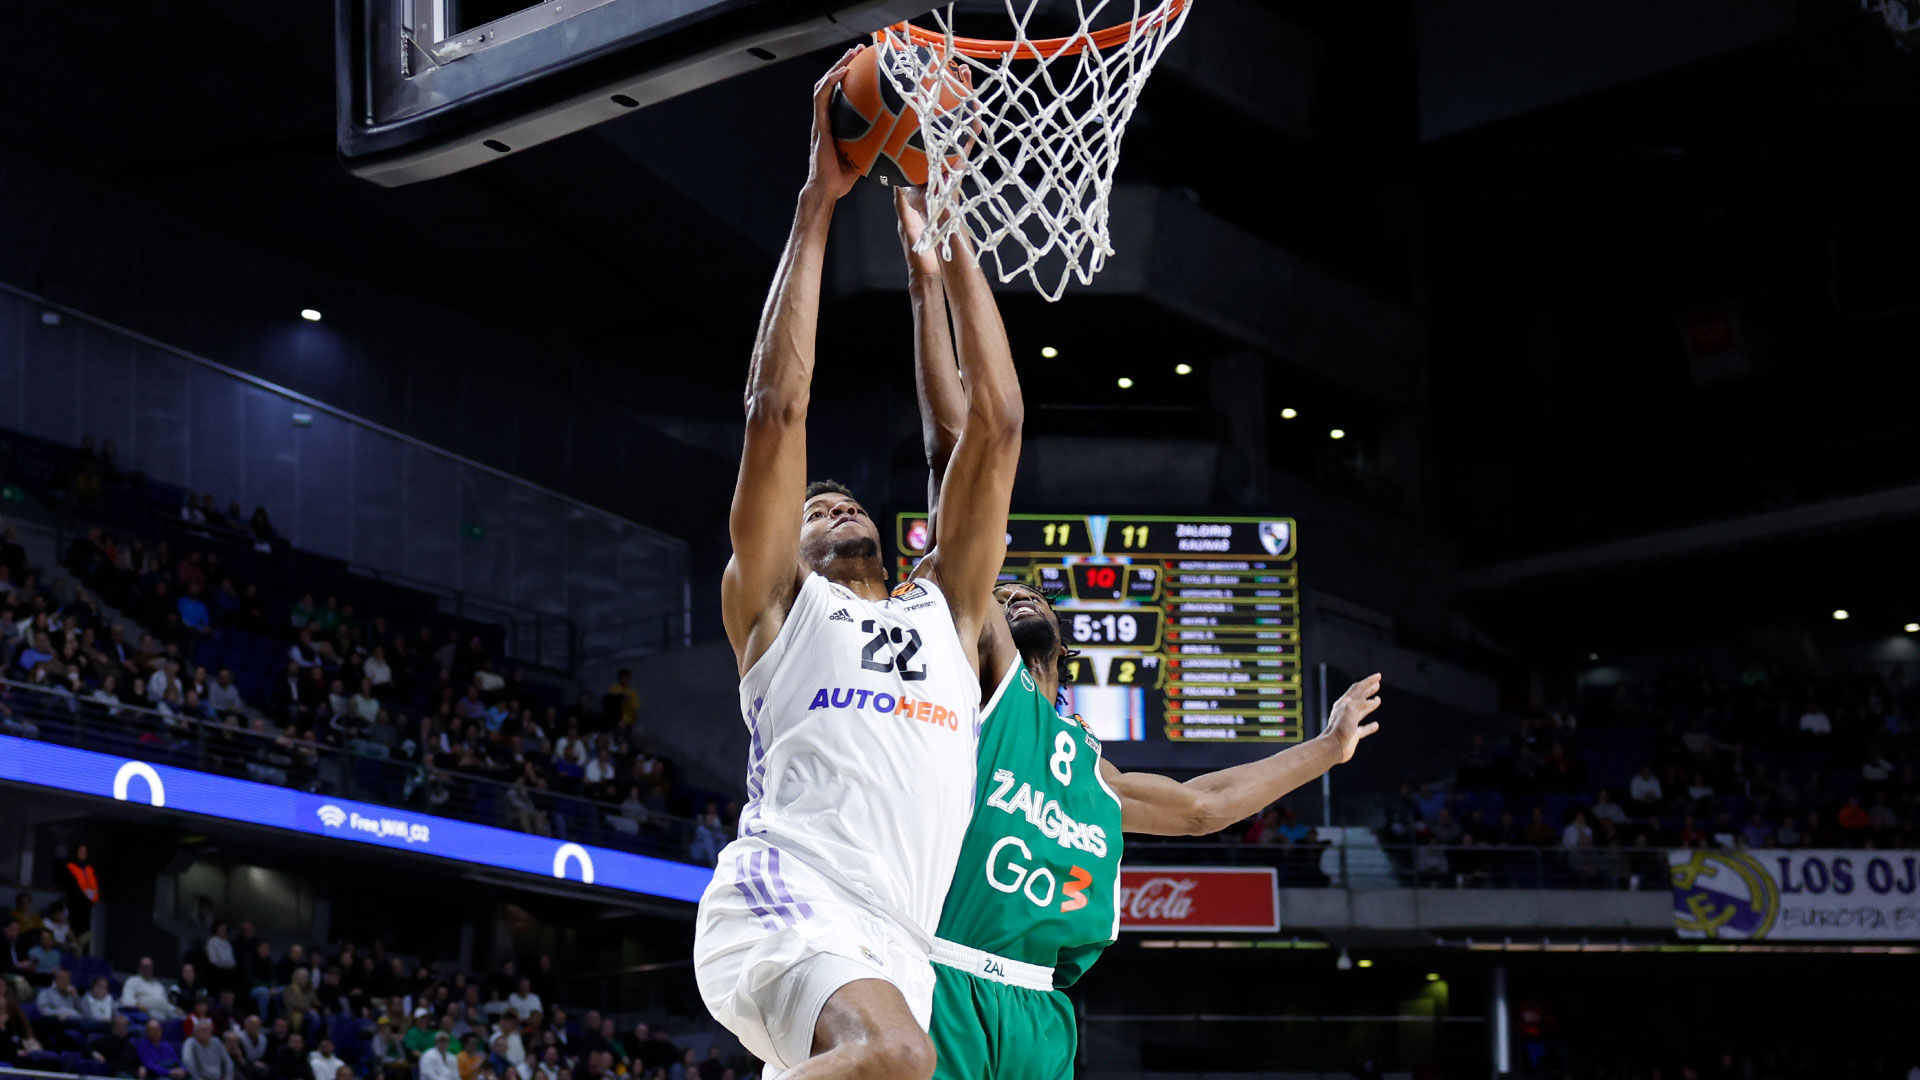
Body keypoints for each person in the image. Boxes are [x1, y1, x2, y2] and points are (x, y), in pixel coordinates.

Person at [691, 46, 1023, 1080]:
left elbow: (996, 424)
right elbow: (774, 407)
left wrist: (950, 213)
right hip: (785, 896)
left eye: (848, 499)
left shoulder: (949, 612)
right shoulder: (777, 609)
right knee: (897, 1056)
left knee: (894, 1054)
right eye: (813, 504)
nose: (833, 502)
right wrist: (817, 204)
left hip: (897, 944)